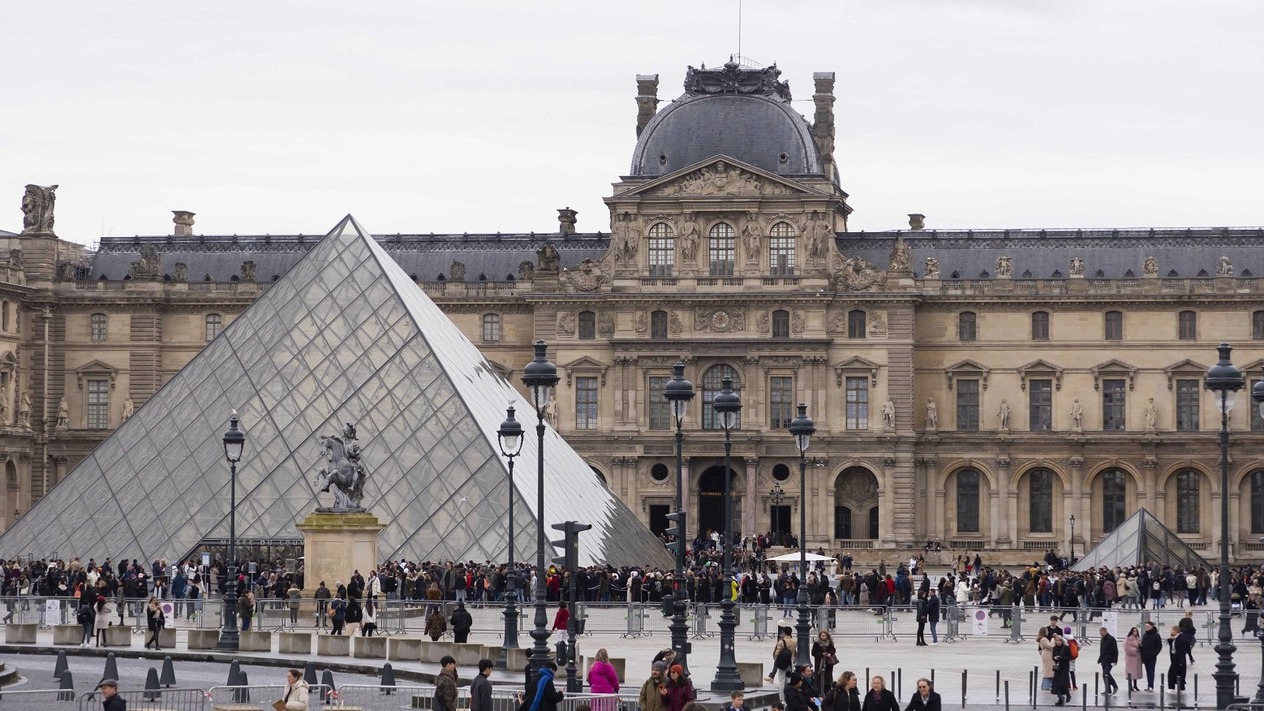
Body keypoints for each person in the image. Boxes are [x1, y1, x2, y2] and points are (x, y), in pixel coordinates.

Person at [1166, 624, 1194, 692]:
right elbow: (1173, 647)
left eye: (1172, 630)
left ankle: (1176, 688)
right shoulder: (1175, 638)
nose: (1171, 631)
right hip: (1175, 659)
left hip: (1179, 659)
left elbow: (1182, 649)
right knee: (1174, 673)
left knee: (1175, 673)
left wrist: (1181, 661)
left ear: (1176, 631)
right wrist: (1170, 640)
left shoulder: (1181, 638)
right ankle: (1175, 688)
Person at [769, 625, 794, 700]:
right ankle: (788, 697)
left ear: (784, 632)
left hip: (782, 662)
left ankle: (782, 698)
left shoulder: (781, 642)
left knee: (781, 680)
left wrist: (777, 660)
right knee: (788, 679)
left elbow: (777, 653)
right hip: (790, 661)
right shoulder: (794, 641)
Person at [1140, 620, 1163, 691]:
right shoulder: (1145, 635)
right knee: (1148, 671)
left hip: (1152, 656)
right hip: (1145, 656)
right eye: (1145, 626)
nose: (1146, 628)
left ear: (1151, 626)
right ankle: (1149, 685)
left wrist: (1154, 654)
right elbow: (1143, 645)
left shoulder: (1156, 635)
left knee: (1151, 670)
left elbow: (1159, 646)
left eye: (1147, 626)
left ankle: (1151, 686)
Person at [1050, 635, 1072, 706]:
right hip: (1058, 668)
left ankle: (1067, 695)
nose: (1058, 642)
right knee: (1056, 684)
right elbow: (1053, 657)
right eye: (1057, 641)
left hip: (1064, 668)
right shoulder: (1054, 648)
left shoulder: (1066, 648)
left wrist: (1061, 658)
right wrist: (1055, 658)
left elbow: (1069, 657)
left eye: (1059, 641)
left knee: (1062, 684)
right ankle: (1060, 698)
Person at [1097, 626, 1119, 695]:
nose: (1101, 634)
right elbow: (1102, 651)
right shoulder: (1102, 639)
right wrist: (1099, 659)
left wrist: (1115, 660)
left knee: (1106, 673)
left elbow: (1115, 650)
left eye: (1102, 633)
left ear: (1105, 632)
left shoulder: (1111, 639)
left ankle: (1115, 686)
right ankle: (1108, 689)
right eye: (1100, 633)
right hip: (1104, 660)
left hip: (1110, 660)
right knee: (1104, 675)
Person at [1123, 627, 1142, 692]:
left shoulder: (1138, 639)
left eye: (1136, 631)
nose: (1135, 633)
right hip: (1130, 658)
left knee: (1135, 672)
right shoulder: (1128, 639)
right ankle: (1130, 686)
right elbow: (1126, 648)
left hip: (1137, 657)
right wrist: (1135, 650)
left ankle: (1135, 685)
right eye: (1134, 631)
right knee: (1130, 672)